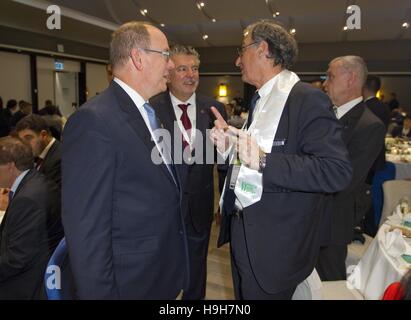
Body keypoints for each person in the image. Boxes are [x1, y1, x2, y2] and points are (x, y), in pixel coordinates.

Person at [209, 20, 352, 300]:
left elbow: (336, 171)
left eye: (242, 50)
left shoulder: (305, 99)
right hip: (244, 232)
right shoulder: (260, 99)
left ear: (262, 49)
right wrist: (229, 148)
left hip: (276, 248)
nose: (238, 60)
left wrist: (264, 161)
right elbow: (252, 158)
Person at [62, 21, 189, 299]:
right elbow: (87, 231)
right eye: (166, 55)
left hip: (160, 274)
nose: (172, 65)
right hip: (128, 283)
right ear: (138, 57)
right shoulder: (94, 121)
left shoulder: (152, 112)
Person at [150, 45, 226, 300]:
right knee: (162, 269)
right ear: (169, 73)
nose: (190, 74)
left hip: (199, 208)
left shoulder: (214, 108)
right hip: (162, 209)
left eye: (195, 69)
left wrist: (224, 203)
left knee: (196, 270)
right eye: (182, 68)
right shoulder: (151, 109)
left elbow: (223, 161)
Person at [316, 56, 386, 281]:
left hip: (333, 220)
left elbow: (344, 180)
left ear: (351, 79)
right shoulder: (325, 114)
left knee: (328, 282)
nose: (325, 83)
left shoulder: (369, 125)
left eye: (331, 76)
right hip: (310, 216)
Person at [0, 137, 63, 299]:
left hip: (27, 285)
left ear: (10, 166)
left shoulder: (28, 199)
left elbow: (17, 260)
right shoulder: (34, 181)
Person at [362, 75, 391, 235]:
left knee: (368, 193)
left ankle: (369, 227)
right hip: (378, 155)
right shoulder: (383, 106)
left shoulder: (368, 108)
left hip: (370, 158)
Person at [16, 114, 61, 188]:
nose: (24, 145)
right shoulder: (38, 153)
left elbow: (47, 193)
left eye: (28, 138)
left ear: (43, 135)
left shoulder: (58, 159)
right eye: (22, 140)